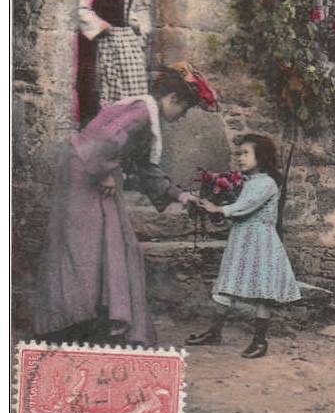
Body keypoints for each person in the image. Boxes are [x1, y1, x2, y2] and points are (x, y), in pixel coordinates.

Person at [32, 62, 218, 346]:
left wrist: (182, 196)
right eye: (184, 109)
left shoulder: (145, 116)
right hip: (84, 177)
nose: (181, 118)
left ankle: (95, 319)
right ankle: (71, 321)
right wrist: (105, 170)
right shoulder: (141, 112)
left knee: (111, 245)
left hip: (94, 175)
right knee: (83, 248)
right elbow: (102, 139)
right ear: (173, 99)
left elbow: (145, 169)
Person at [186, 134, 301, 359]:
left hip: (260, 242)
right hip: (241, 239)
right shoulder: (247, 181)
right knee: (227, 283)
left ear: (262, 157)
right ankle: (214, 332)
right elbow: (238, 207)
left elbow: (246, 206)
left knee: (263, 290)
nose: (240, 158)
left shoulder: (267, 183)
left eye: (246, 154)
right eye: (239, 154)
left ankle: (259, 341)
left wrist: (219, 209)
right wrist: (214, 202)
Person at [76, 0, 149, 126]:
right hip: (105, 46)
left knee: (132, 95)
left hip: (126, 47)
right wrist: (102, 26)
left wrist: (134, 23)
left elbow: (127, 11)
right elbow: (82, 10)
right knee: (108, 91)